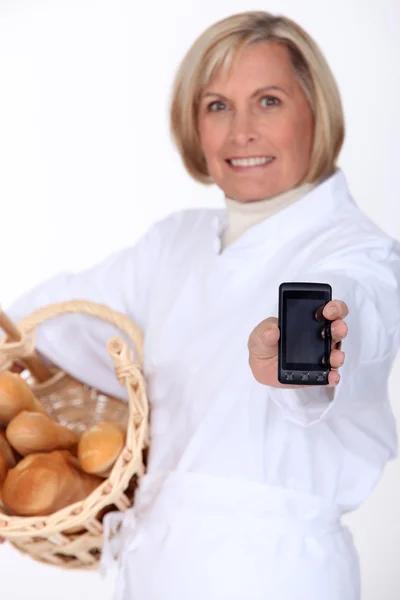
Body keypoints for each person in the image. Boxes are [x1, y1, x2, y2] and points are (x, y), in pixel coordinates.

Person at [1, 10, 400, 600]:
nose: (241, 130)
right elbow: (54, 322)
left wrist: (305, 346)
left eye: (268, 101)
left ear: (316, 111)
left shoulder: (355, 251)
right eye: (217, 105)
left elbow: (351, 309)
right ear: (194, 126)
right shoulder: (177, 242)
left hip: (274, 576)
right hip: (156, 568)